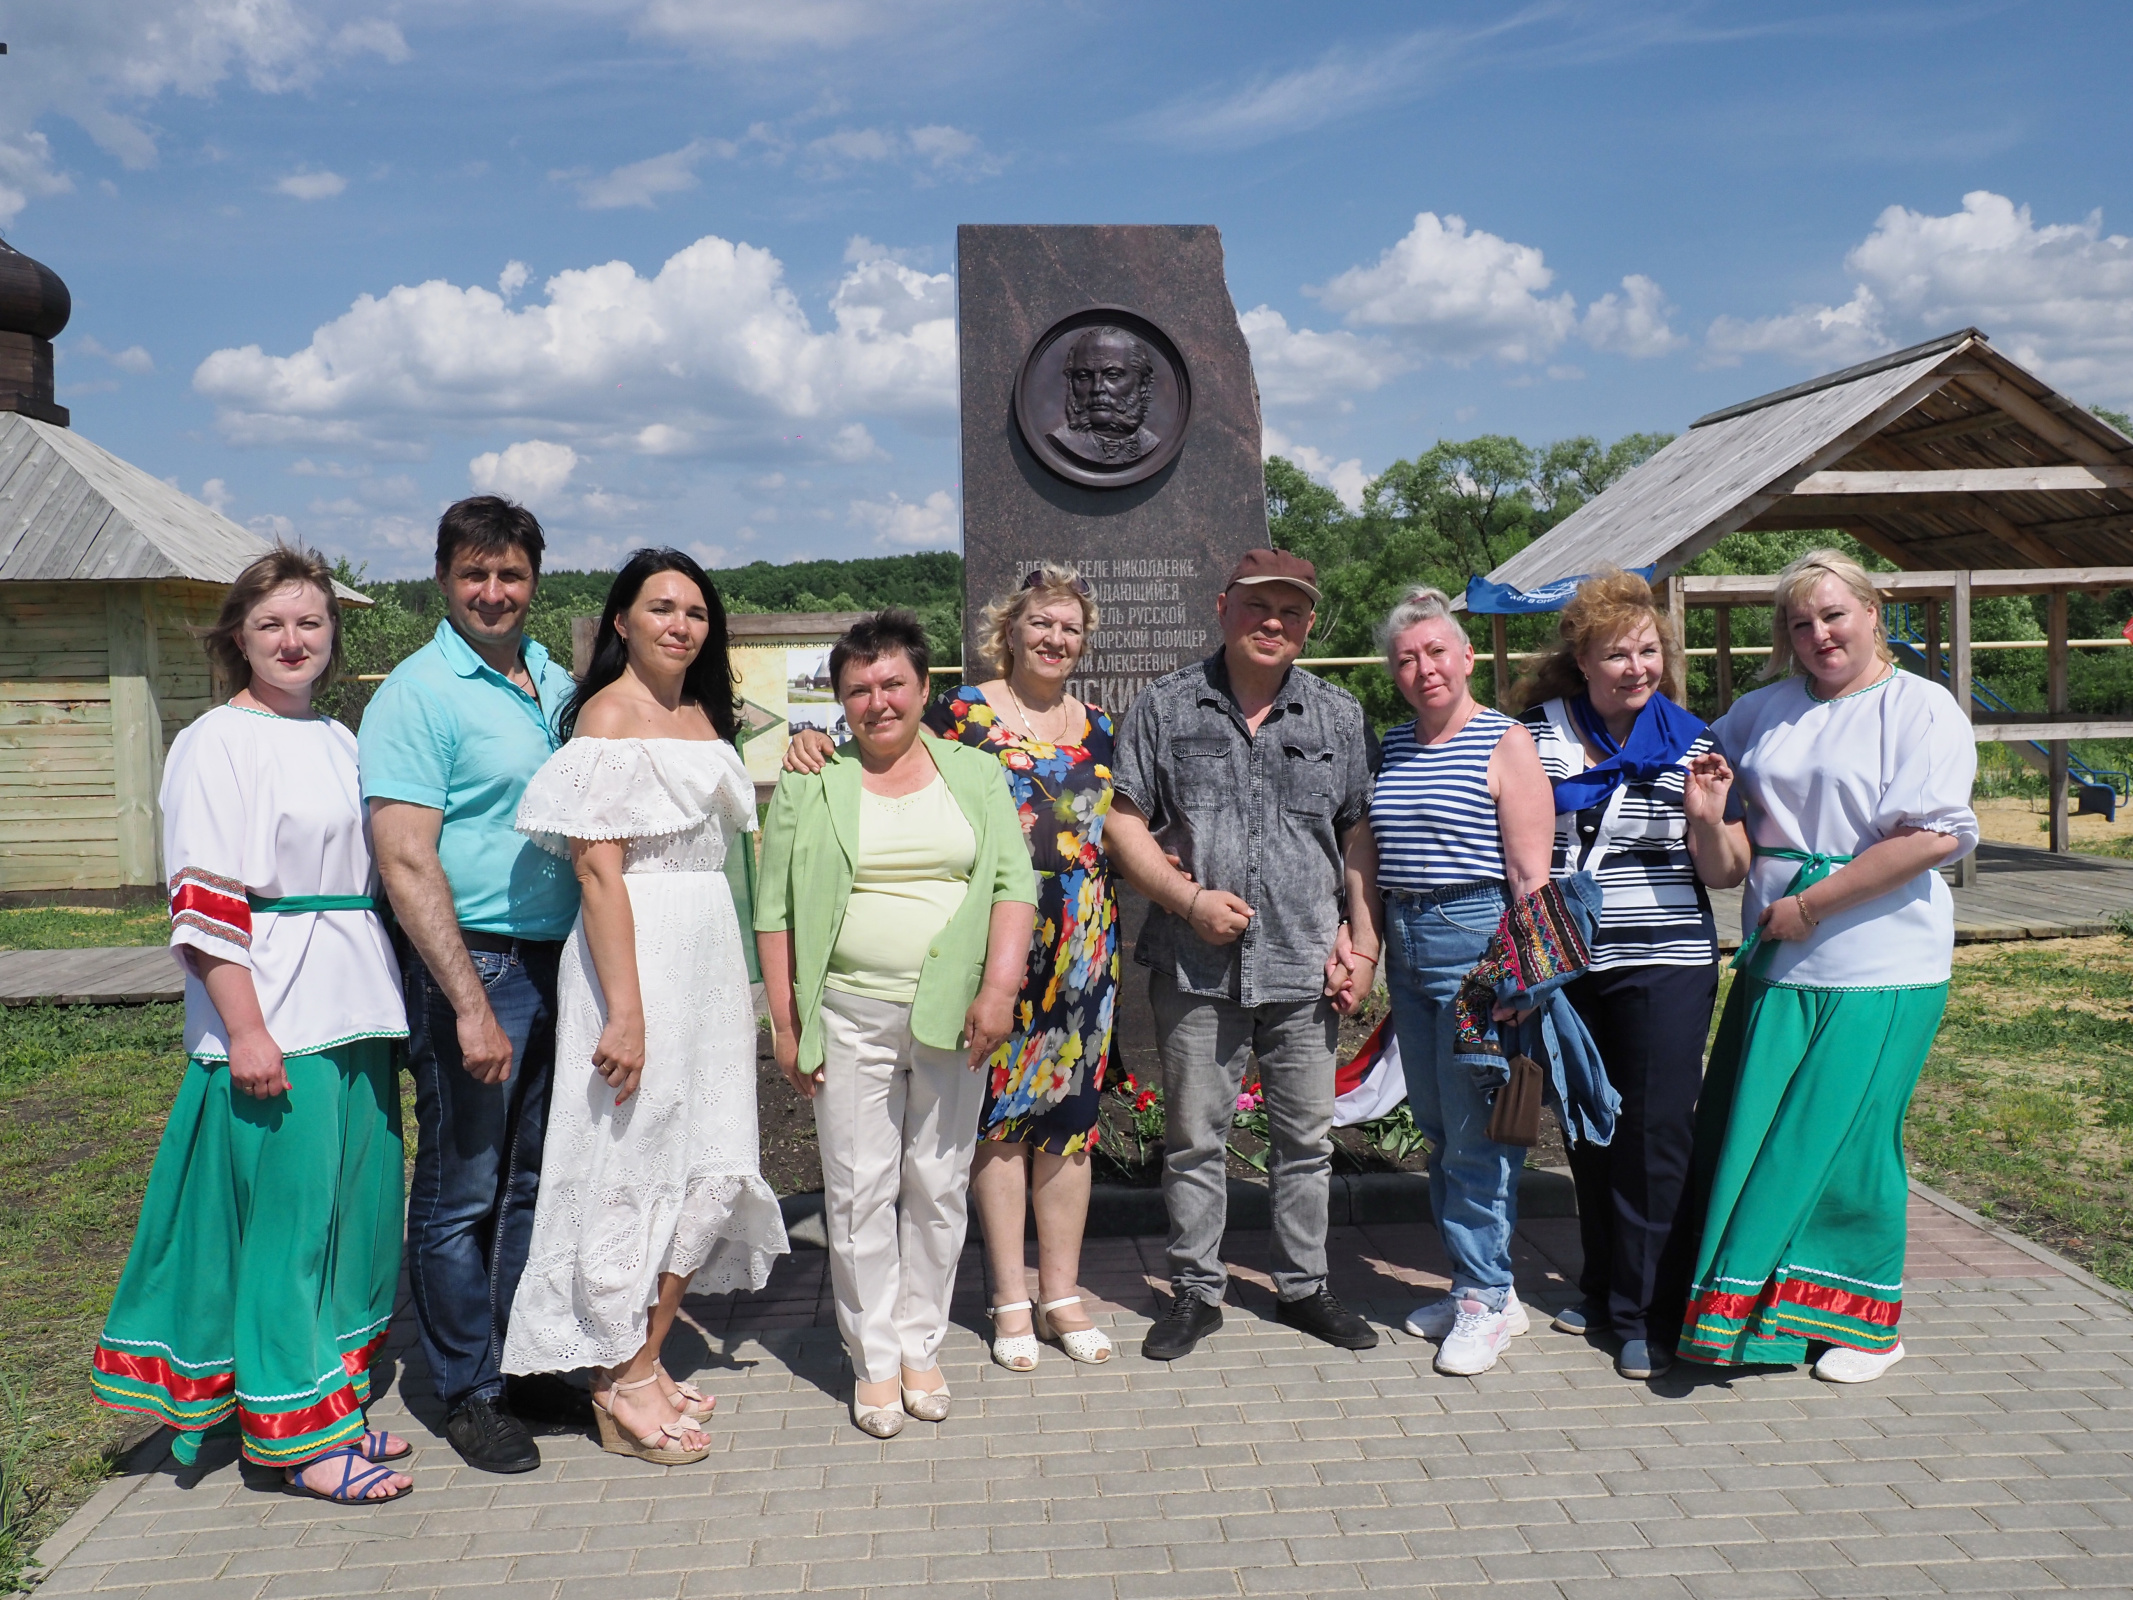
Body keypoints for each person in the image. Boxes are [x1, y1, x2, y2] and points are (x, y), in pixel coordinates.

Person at [91, 549, 414, 1504]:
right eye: (271, 624)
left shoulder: (340, 739)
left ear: (332, 635)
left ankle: (330, 1404)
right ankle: (294, 1437)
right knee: (289, 1231)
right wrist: (246, 1031)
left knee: (351, 1222)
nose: (292, 640)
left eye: (310, 622)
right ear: (239, 636)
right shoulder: (214, 742)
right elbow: (203, 903)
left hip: (355, 1005)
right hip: (278, 1009)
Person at [787, 565, 1118, 1370]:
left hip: (1079, 946)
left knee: (1069, 1124)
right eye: (1040, 623)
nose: (1054, 638)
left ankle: (1060, 1293)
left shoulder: (1099, 725)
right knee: (996, 1122)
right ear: (1010, 630)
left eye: (1069, 627)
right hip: (988, 947)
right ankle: (1008, 1297)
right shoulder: (961, 713)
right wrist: (813, 741)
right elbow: (882, 738)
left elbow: (1119, 826)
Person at [504, 549, 789, 1464]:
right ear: (620, 621)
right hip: (634, 963)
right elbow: (598, 872)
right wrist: (625, 1015)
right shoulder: (607, 717)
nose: (680, 625)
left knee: (708, 1154)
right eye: (661, 608)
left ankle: (646, 1355)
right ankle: (617, 1375)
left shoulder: (702, 715)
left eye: (695, 612)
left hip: (704, 961)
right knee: (629, 1159)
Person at [1676, 549, 1976, 1383]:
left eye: (1834, 615)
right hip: (1778, 958)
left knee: (1851, 1141)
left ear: (1873, 613)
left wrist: (1808, 906)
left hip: (1882, 958)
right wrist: (1705, 815)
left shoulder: (1920, 707)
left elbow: (1931, 837)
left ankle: (1869, 1327)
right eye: (1800, 623)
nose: (1819, 635)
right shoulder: (1760, 711)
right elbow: (1724, 845)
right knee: (1768, 1138)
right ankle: (1764, 1314)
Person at [755, 610, 1038, 1437]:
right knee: (857, 1191)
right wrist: (784, 1025)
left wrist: (999, 988)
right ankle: (873, 1358)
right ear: (839, 700)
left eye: (892, 684)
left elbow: (1011, 885)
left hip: (956, 1014)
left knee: (938, 1187)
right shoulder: (813, 779)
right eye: (858, 689)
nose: (877, 702)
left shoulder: (974, 774)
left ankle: (920, 1344)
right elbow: (773, 909)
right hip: (848, 1013)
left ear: (922, 688)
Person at [1105, 549, 1376, 1362]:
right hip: (1195, 968)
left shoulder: (1336, 715)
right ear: (1223, 607)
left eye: (1290, 611)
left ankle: (1303, 1287)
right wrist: (1186, 899)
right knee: (1194, 1139)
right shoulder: (1164, 706)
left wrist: (1363, 943)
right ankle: (1196, 1292)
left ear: (1308, 624)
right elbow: (1122, 821)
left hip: (1305, 964)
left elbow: (1357, 835)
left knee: (1306, 1143)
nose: (1272, 622)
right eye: (1258, 606)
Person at [361, 497, 581, 1474]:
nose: (493, 592)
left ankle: (521, 1363)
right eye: (474, 574)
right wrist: (467, 1003)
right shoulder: (418, 695)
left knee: (533, 1177)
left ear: (536, 580)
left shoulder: (553, 681)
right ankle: (469, 1389)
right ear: (443, 580)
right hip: (476, 962)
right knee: (462, 1188)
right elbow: (406, 859)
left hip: (557, 957)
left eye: (511, 574)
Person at [1507, 569, 1746, 1380]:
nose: (1636, 668)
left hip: (1664, 958)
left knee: (1655, 1129)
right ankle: (1605, 1286)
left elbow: (1725, 871)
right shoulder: (1531, 736)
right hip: (1565, 957)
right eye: (1616, 654)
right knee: (1589, 1127)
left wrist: (1706, 820)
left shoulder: (1694, 742)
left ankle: (1649, 1311)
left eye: (1647, 651)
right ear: (1581, 660)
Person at [1334, 586, 1555, 1377]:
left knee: (1475, 1132)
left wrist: (1520, 978)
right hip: (1408, 942)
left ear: (1464, 657)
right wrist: (1364, 941)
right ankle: (1484, 1285)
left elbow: (1530, 876)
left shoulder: (1505, 742)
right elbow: (1366, 850)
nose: (1423, 668)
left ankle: (1483, 1297)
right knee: (1436, 1125)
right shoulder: (1393, 746)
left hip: (1477, 943)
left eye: (1435, 652)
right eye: (1406, 659)